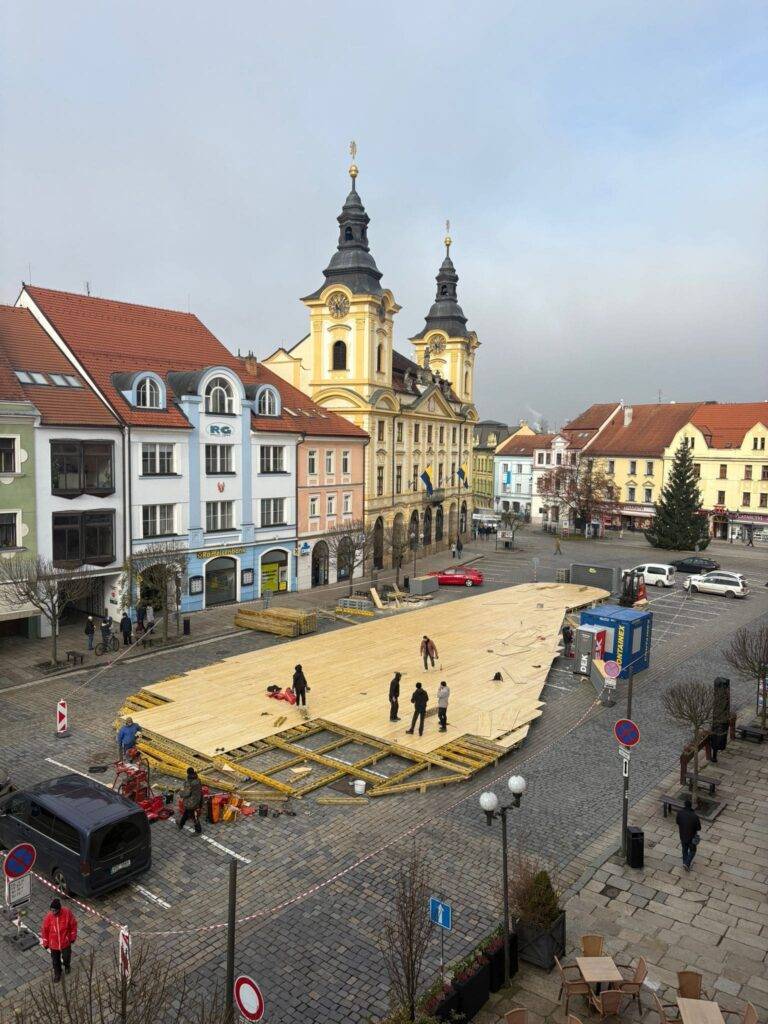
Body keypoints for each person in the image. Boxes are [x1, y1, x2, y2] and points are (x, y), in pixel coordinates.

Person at [40, 898, 77, 982]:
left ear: (59, 909)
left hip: (65, 942)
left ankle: (67, 965)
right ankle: (57, 973)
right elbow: (45, 930)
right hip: (54, 944)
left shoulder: (67, 913)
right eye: (51, 910)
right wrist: (45, 942)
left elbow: (73, 925)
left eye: (54, 910)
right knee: (55, 961)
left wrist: (72, 936)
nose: (53, 912)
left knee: (66, 957)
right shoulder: (48, 917)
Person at [676, 797, 701, 871]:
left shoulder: (680, 813)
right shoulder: (695, 816)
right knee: (693, 851)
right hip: (691, 837)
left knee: (684, 849)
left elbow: (677, 822)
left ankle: (685, 863)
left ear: (684, 805)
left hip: (682, 835)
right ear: (691, 806)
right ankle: (687, 863)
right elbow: (699, 828)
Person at [178, 767, 203, 834]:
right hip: (197, 799)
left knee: (194, 816)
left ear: (188, 773)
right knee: (186, 812)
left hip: (191, 802)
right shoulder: (197, 779)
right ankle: (181, 824)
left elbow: (186, 793)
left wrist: (180, 793)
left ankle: (198, 830)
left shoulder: (189, 782)